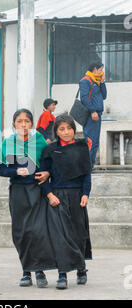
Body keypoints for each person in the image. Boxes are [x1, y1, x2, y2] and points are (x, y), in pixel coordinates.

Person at [0, 109, 57, 288]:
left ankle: (40, 271)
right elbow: (0, 169)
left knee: (38, 231)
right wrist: (15, 170)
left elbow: (49, 165)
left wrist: (47, 173)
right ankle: (26, 272)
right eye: (19, 121)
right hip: (18, 192)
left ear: (32, 124)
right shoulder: (7, 143)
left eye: (27, 121)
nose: (23, 125)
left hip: (37, 190)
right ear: (14, 124)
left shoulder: (39, 141)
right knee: (21, 232)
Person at [40, 114, 92, 290]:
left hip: (77, 196)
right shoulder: (50, 150)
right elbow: (42, 177)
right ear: (56, 131)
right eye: (61, 129)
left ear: (74, 129)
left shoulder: (81, 147)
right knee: (60, 236)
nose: (66, 132)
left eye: (69, 128)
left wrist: (86, 194)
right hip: (57, 197)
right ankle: (62, 274)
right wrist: (49, 195)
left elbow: (86, 174)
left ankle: (81, 268)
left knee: (78, 233)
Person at [80, 61, 107, 167]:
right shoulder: (85, 81)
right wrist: (93, 111)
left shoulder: (97, 81)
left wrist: (102, 82)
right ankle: (87, 166)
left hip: (97, 115)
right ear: (95, 69)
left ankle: (90, 165)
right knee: (90, 141)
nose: (102, 72)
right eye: (100, 70)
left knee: (95, 142)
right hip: (91, 115)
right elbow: (84, 98)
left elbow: (104, 96)